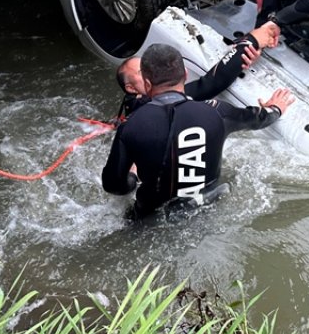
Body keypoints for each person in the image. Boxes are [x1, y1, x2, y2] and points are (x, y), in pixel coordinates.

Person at [102, 43, 295, 216]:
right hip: (208, 210)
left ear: (147, 83)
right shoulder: (218, 111)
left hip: (149, 220)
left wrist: (134, 176)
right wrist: (275, 109)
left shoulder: (132, 126)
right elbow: (257, 119)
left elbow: (114, 186)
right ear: (185, 75)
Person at [112, 22, 280, 123]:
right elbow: (208, 85)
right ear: (131, 89)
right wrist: (250, 41)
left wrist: (242, 60)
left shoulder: (137, 103)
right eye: (142, 71)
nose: (151, 69)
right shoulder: (147, 105)